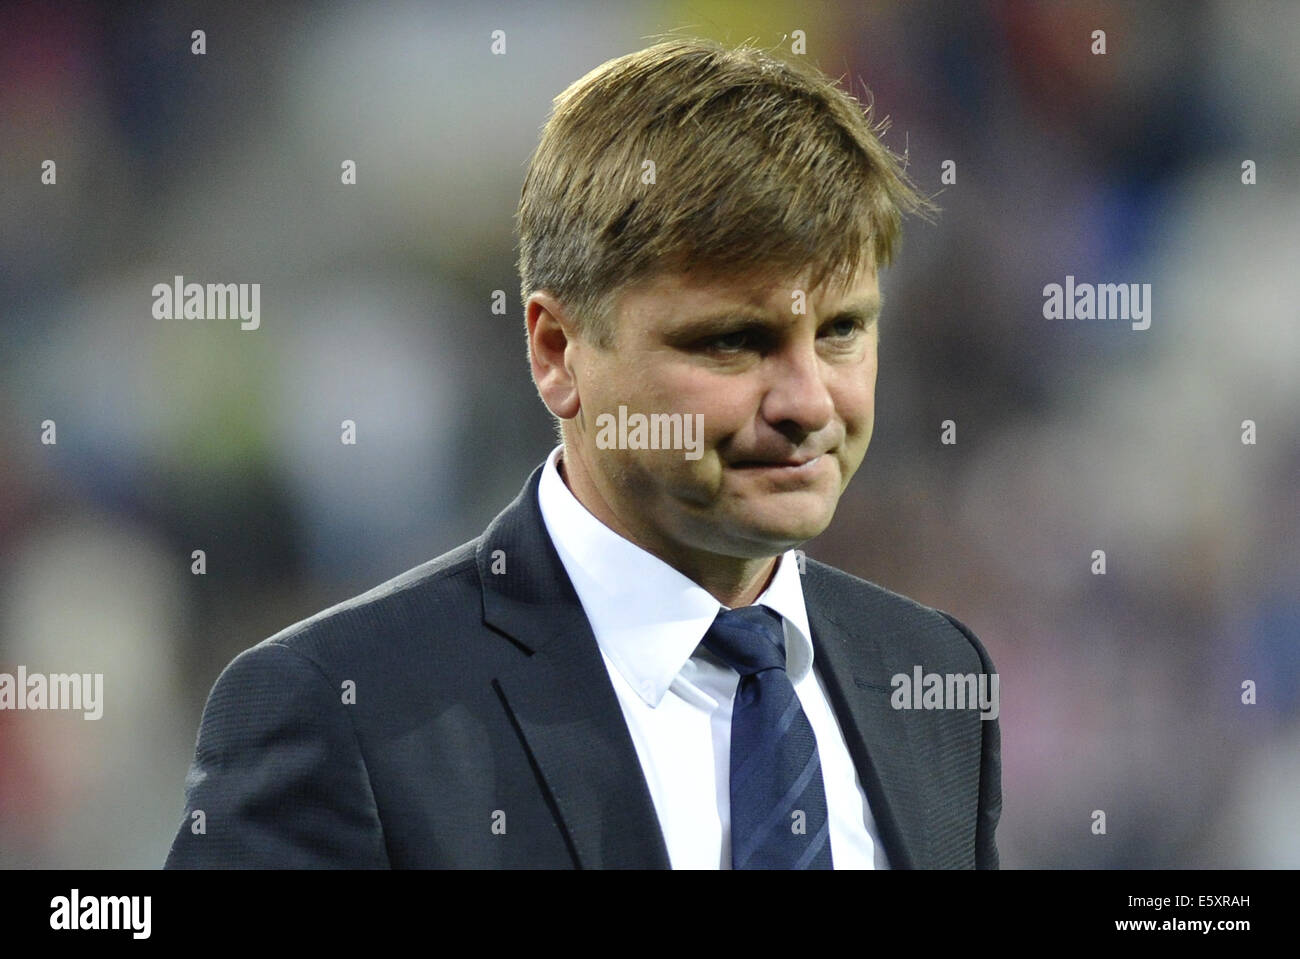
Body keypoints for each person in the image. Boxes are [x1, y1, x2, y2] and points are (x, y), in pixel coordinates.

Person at [164, 37, 1001, 870]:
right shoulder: (344, 708)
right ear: (557, 352)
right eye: (733, 342)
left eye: (842, 330)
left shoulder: (932, 679)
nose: (809, 401)